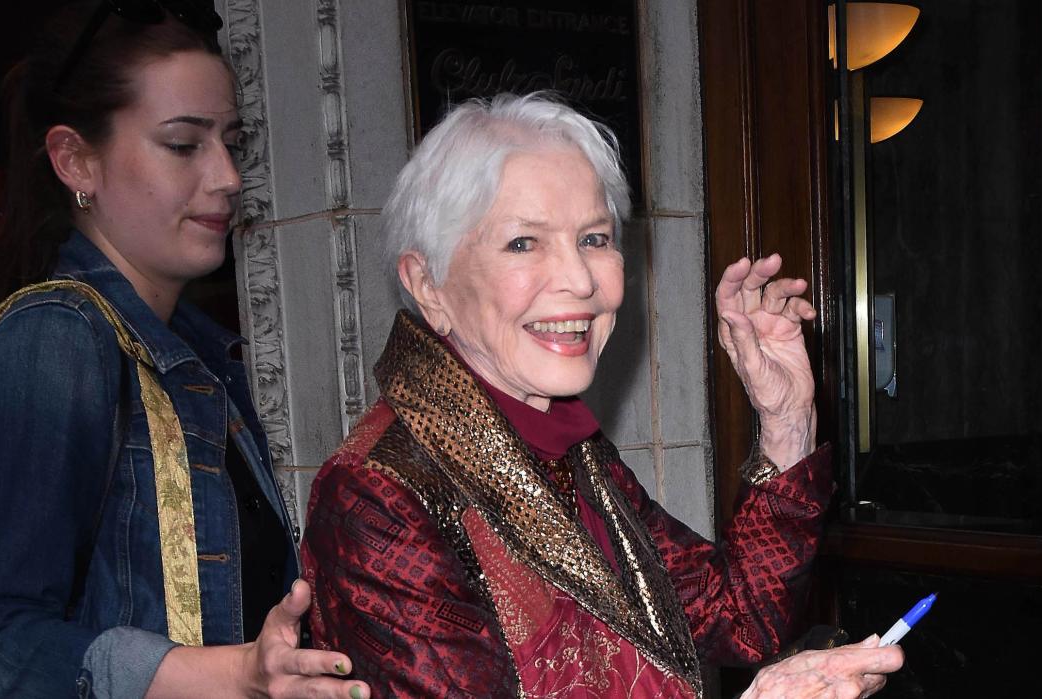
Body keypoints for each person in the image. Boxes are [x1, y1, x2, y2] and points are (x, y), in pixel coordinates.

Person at [300, 93, 902, 698]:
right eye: (523, 243)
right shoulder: (375, 496)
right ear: (427, 284)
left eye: (594, 238)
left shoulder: (564, 446)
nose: (581, 281)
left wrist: (786, 415)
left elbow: (735, 616)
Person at [0, 3, 370, 697]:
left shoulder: (195, 349)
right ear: (76, 160)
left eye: (233, 141)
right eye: (185, 144)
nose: (225, 175)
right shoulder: (57, 334)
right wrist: (232, 672)